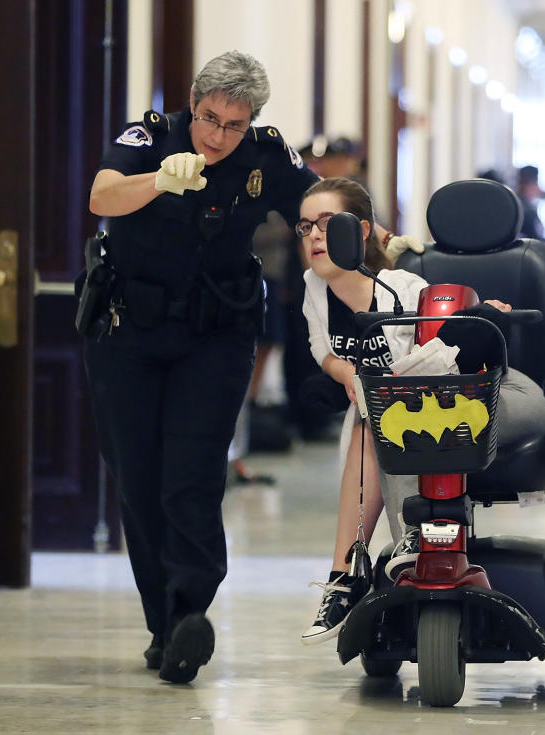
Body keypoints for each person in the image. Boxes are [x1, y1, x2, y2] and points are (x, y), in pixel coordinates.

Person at [83, 51, 418, 683]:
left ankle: (190, 614)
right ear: (193, 100)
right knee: (137, 475)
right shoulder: (150, 139)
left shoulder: (263, 153)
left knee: (193, 472)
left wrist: (384, 242)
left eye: (234, 125)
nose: (217, 136)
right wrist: (159, 179)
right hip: (128, 331)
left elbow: (321, 205)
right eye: (209, 119)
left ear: (252, 122)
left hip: (217, 334)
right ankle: (163, 621)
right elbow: (101, 194)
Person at [297, 177, 545, 643]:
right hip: (403, 417)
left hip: (489, 395)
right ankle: (347, 576)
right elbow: (323, 351)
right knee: (382, 415)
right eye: (304, 226)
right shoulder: (314, 288)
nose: (313, 235)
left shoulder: (402, 286)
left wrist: (479, 318)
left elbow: (447, 357)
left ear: (357, 232)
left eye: (325, 224)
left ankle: (392, 550)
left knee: (391, 413)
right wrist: (349, 377)